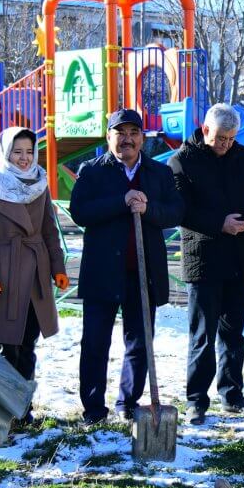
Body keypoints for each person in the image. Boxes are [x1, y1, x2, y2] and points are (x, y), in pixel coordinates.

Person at [69, 109, 184, 425]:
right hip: (102, 272)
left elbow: (176, 212)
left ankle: (128, 402)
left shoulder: (159, 173)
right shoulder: (92, 171)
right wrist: (121, 201)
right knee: (95, 343)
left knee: (140, 342)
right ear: (109, 137)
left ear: (142, 138)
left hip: (143, 273)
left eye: (134, 133)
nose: (127, 139)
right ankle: (94, 409)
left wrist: (148, 208)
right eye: (120, 133)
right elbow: (80, 211)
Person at [169, 103, 244, 425]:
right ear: (205, 130)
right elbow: (180, 211)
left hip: (240, 256)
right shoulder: (181, 161)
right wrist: (219, 223)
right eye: (221, 138)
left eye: (231, 138)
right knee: (203, 334)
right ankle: (196, 400)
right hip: (204, 259)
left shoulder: (243, 156)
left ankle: (232, 394)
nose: (226, 145)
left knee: (233, 333)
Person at [0, 128, 69, 422]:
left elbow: (50, 230)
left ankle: (23, 408)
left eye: (29, 151)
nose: (24, 158)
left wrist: (58, 267)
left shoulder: (39, 181)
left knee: (28, 343)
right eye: (17, 152)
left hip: (36, 273)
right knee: (8, 345)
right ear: (5, 152)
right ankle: (5, 408)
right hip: (5, 273)